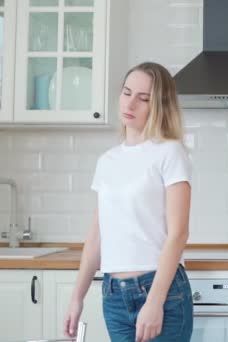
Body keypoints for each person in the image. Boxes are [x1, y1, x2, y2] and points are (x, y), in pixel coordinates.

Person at [64, 62, 193, 342]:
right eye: (126, 92)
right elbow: (96, 238)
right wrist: (77, 298)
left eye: (143, 98)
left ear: (158, 105)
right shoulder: (107, 161)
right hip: (113, 295)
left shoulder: (170, 153)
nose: (130, 102)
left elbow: (178, 234)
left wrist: (155, 302)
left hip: (161, 292)